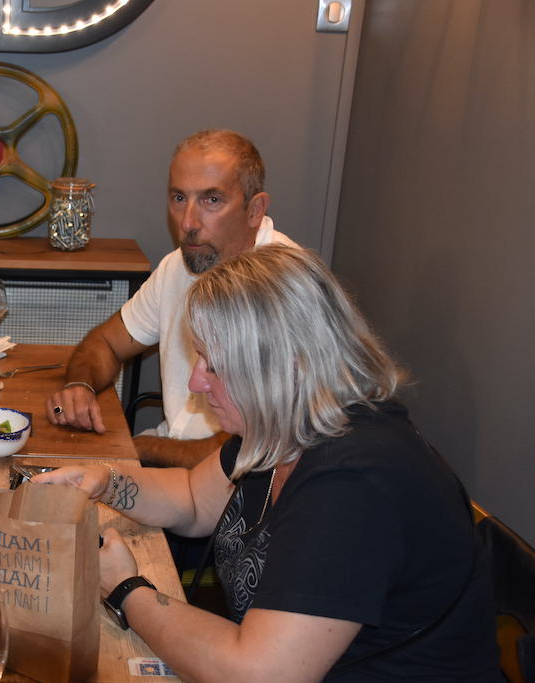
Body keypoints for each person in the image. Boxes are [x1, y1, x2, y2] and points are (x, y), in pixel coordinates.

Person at [34, 245, 501, 681]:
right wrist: (105, 480)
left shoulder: (354, 485)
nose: (196, 382)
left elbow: (257, 672)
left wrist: (126, 590)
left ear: (288, 366)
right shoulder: (284, 424)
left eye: (214, 364)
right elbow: (194, 501)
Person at [46, 129, 297, 467]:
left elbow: (248, 449)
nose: (188, 222)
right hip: (171, 459)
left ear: (255, 209)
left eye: (212, 200)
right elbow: (105, 343)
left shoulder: (285, 289)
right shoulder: (179, 265)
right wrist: (80, 386)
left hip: (234, 481)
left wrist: (138, 449)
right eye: (179, 198)